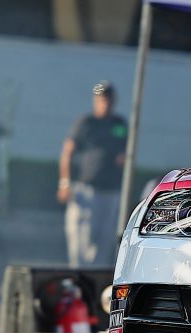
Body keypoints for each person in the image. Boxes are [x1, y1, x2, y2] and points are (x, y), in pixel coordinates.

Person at [57, 81, 127, 267]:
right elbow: (68, 152)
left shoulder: (119, 124)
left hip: (111, 190)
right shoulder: (86, 123)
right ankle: (79, 279)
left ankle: (97, 283)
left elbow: (125, 150)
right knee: (81, 239)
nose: (106, 103)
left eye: (109, 99)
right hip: (87, 189)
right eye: (102, 99)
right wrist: (65, 183)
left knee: (105, 240)